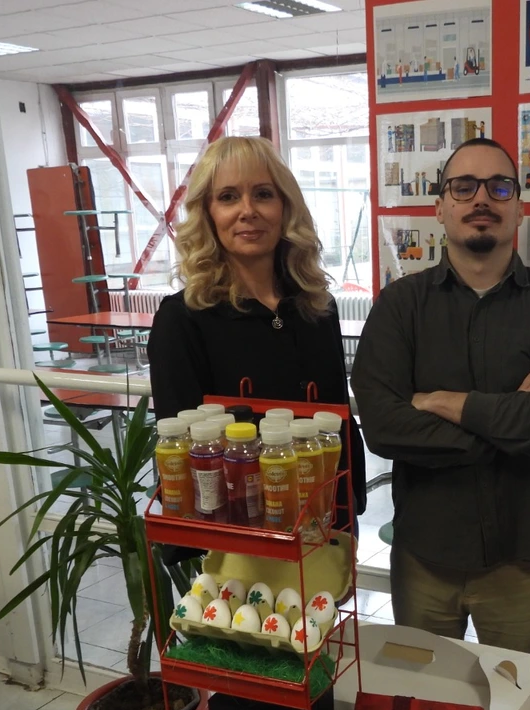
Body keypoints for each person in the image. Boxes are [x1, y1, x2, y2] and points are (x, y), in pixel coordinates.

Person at [352, 137, 530, 657]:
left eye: (499, 187)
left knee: (521, 702)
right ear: (440, 207)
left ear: (519, 207)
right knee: (424, 699)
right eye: (463, 187)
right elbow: (383, 425)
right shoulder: (399, 306)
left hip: (524, 561)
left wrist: (445, 402)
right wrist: (510, 422)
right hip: (423, 562)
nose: (481, 198)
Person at [148, 135, 366, 523]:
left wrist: (348, 505)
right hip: (235, 532)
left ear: (285, 207)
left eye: (263, 194)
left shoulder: (318, 306)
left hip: (325, 517)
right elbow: (182, 453)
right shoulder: (182, 319)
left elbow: (338, 419)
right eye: (228, 197)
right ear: (208, 213)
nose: (247, 211)